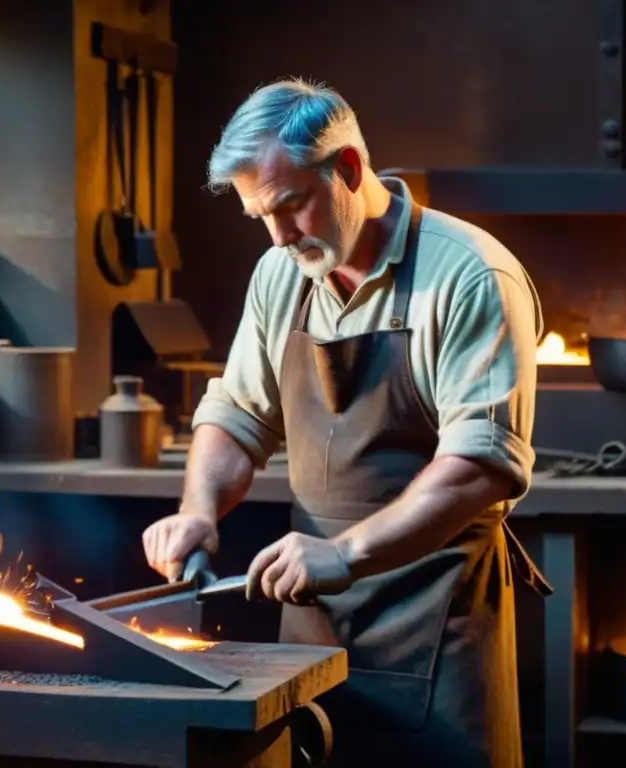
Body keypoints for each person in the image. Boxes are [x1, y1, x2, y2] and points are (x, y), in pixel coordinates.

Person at [141, 78, 551, 767]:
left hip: (435, 625)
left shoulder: (471, 275)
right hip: (310, 622)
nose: (277, 235)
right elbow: (239, 412)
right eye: (260, 216)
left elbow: (480, 467)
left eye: (291, 205)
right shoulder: (282, 272)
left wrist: (344, 555)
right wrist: (199, 508)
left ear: (350, 170)